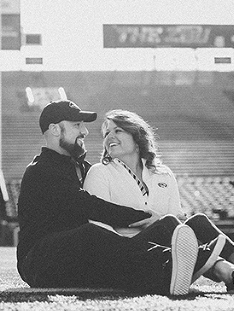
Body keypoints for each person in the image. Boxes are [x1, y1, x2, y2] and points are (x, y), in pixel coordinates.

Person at [16, 100, 222, 296]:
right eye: (77, 125)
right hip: (40, 262)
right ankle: (179, 262)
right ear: (54, 130)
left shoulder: (81, 167)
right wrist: (143, 215)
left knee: (166, 223)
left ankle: (233, 271)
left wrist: (153, 220)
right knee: (91, 234)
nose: (85, 131)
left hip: (83, 257)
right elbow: (89, 206)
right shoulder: (42, 170)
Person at [83, 109, 234, 294]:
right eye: (106, 133)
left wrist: (159, 223)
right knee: (168, 223)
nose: (110, 137)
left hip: (171, 249)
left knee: (197, 221)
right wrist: (151, 222)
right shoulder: (99, 172)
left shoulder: (163, 174)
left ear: (137, 136)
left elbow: (178, 225)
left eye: (117, 130)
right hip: (129, 255)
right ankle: (228, 273)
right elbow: (99, 232)